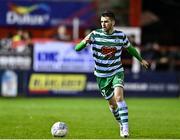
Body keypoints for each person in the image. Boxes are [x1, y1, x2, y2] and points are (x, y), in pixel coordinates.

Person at [75, 11, 149, 138]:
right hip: (101, 76)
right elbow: (77, 48)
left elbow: (130, 48)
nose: (103, 24)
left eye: (106, 21)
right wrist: (85, 41)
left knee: (119, 97)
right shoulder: (95, 34)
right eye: (102, 21)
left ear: (113, 22)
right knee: (113, 105)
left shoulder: (120, 36)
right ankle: (121, 122)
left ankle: (125, 129)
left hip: (116, 71)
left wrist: (141, 60)